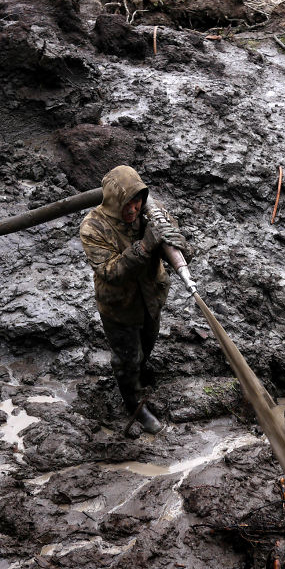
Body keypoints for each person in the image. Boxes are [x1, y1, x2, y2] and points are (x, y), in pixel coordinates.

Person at [79, 165, 190, 434]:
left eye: (137, 202)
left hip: (151, 298)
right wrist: (144, 246)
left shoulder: (152, 212)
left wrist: (178, 244)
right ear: (113, 202)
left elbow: (180, 247)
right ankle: (133, 406)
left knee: (146, 346)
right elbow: (110, 272)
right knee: (128, 358)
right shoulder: (93, 227)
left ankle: (138, 374)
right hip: (120, 307)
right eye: (127, 204)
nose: (133, 209)